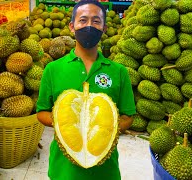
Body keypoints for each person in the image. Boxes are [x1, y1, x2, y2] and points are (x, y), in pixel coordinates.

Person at [36, 0, 136, 179]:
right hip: (63, 171)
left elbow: (128, 116)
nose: (89, 26)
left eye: (96, 21)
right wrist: (66, 124)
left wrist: (106, 129)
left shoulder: (118, 71)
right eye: (83, 20)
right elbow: (41, 112)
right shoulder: (53, 69)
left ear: (104, 28)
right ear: (72, 27)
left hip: (106, 171)